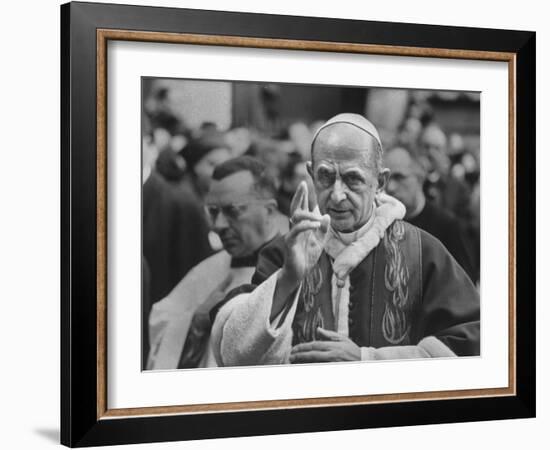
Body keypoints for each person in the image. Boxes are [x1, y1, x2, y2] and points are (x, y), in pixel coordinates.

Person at [210, 113, 480, 367]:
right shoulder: (286, 251)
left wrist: (368, 360)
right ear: (310, 172)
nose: (337, 195)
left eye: (353, 179)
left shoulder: (423, 252)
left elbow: (473, 343)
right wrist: (287, 279)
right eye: (325, 177)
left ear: (381, 181)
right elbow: (231, 354)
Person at [147, 156, 281, 370]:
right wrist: (198, 318)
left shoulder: (299, 269)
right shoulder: (206, 273)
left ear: (269, 210)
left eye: (233, 210)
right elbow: (160, 324)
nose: (218, 225)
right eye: (213, 211)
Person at [384, 146, 477, 283]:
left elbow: (465, 284)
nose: (390, 187)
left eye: (399, 177)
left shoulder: (447, 225)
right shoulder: (382, 225)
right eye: (385, 179)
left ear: (420, 175)